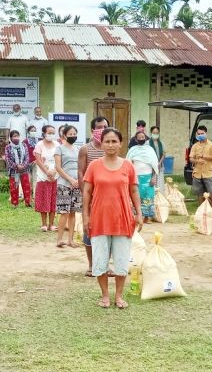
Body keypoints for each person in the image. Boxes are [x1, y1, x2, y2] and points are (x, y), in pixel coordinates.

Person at [82, 128, 142, 309]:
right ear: (101, 144)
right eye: (107, 141)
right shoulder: (94, 166)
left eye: (114, 141)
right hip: (99, 219)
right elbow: (86, 192)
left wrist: (139, 213)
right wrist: (85, 216)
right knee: (100, 261)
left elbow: (133, 190)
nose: (110, 145)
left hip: (122, 219)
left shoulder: (128, 166)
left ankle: (119, 296)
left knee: (122, 261)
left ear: (121, 144)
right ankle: (105, 296)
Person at [77, 116, 109, 277]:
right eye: (99, 127)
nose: (102, 130)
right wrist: (86, 194)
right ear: (92, 130)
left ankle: (105, 265)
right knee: (89, 229)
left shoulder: (110, 148)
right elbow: (81, 172)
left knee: (109, 231)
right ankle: (91, 265)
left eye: (105, 127)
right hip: (91, 197)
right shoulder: (85, 149)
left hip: (109, 198)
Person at [54, 125, 82, 248]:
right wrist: (70, 180)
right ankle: (59, 240)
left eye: (74, 133)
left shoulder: (78, 149)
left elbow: (81, 167)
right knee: (64, 212)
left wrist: (77, 181)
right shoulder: (59, 149)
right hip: (64, 184)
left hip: (77, 185)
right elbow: (58, 168)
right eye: (70, 134)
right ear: (64, 135)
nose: (72, 136)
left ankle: (70, 240)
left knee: (73, 212)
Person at [126, 130, 159, 224]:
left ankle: (147, 217)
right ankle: (135, 216)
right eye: (139, 137)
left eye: (142, 137)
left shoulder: (150, 150)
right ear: (136, 139)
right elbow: (128, 163)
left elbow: (154, 165)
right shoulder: (132, 150)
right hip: (135, 177)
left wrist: (153, 177)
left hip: (148, 177)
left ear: (145, 138)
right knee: (136, 197)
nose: (141, 139)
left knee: (148, 196)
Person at [33, 125, 60, 232]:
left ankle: (52, 224)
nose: (51, 135)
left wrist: (55, 171)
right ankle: (44, 224)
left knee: (53, 200)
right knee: (44, 198)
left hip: (55, 175)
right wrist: (47, 172)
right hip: (43, 176)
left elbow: (59, 159)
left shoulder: (57, 144)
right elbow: (38, 161)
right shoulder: (39, 145)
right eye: (49, 133)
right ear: (44, 133)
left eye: (53, 133)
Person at [189, 125, 212, 210]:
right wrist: (197, 161)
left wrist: (205, 157)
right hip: (197, 172)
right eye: (199, 134)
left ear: (206, 133)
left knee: (211, 191)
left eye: (202, 133)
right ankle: (201, 208)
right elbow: (191, 158)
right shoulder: (195, 146)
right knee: (199, 192)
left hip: (208, 172)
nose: (200, 135)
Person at [4, 130, 32, 207]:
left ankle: (28, 203)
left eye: (17, 136)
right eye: (14, 136)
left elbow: (27, 157)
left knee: (26, 186)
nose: (16, 138)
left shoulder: (24, 145)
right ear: (10, 138)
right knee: (14, 187)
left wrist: (23, 166)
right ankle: (14, 203)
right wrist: (16, 166)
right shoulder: (8, 147)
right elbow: (8, 159)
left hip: (24, 169)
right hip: (13, 171)